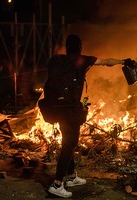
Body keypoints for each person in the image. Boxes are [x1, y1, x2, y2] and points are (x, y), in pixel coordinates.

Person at [40, 34, 129, 198]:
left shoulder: (55, 60)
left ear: (67, 47)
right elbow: (107, 62)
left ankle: (72, 176)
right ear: (79, 47)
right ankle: (57, 184)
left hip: (55, 108)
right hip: (69, 110)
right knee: (70, 143)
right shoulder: (83, 60)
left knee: (69, 140)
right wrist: (123, 61)